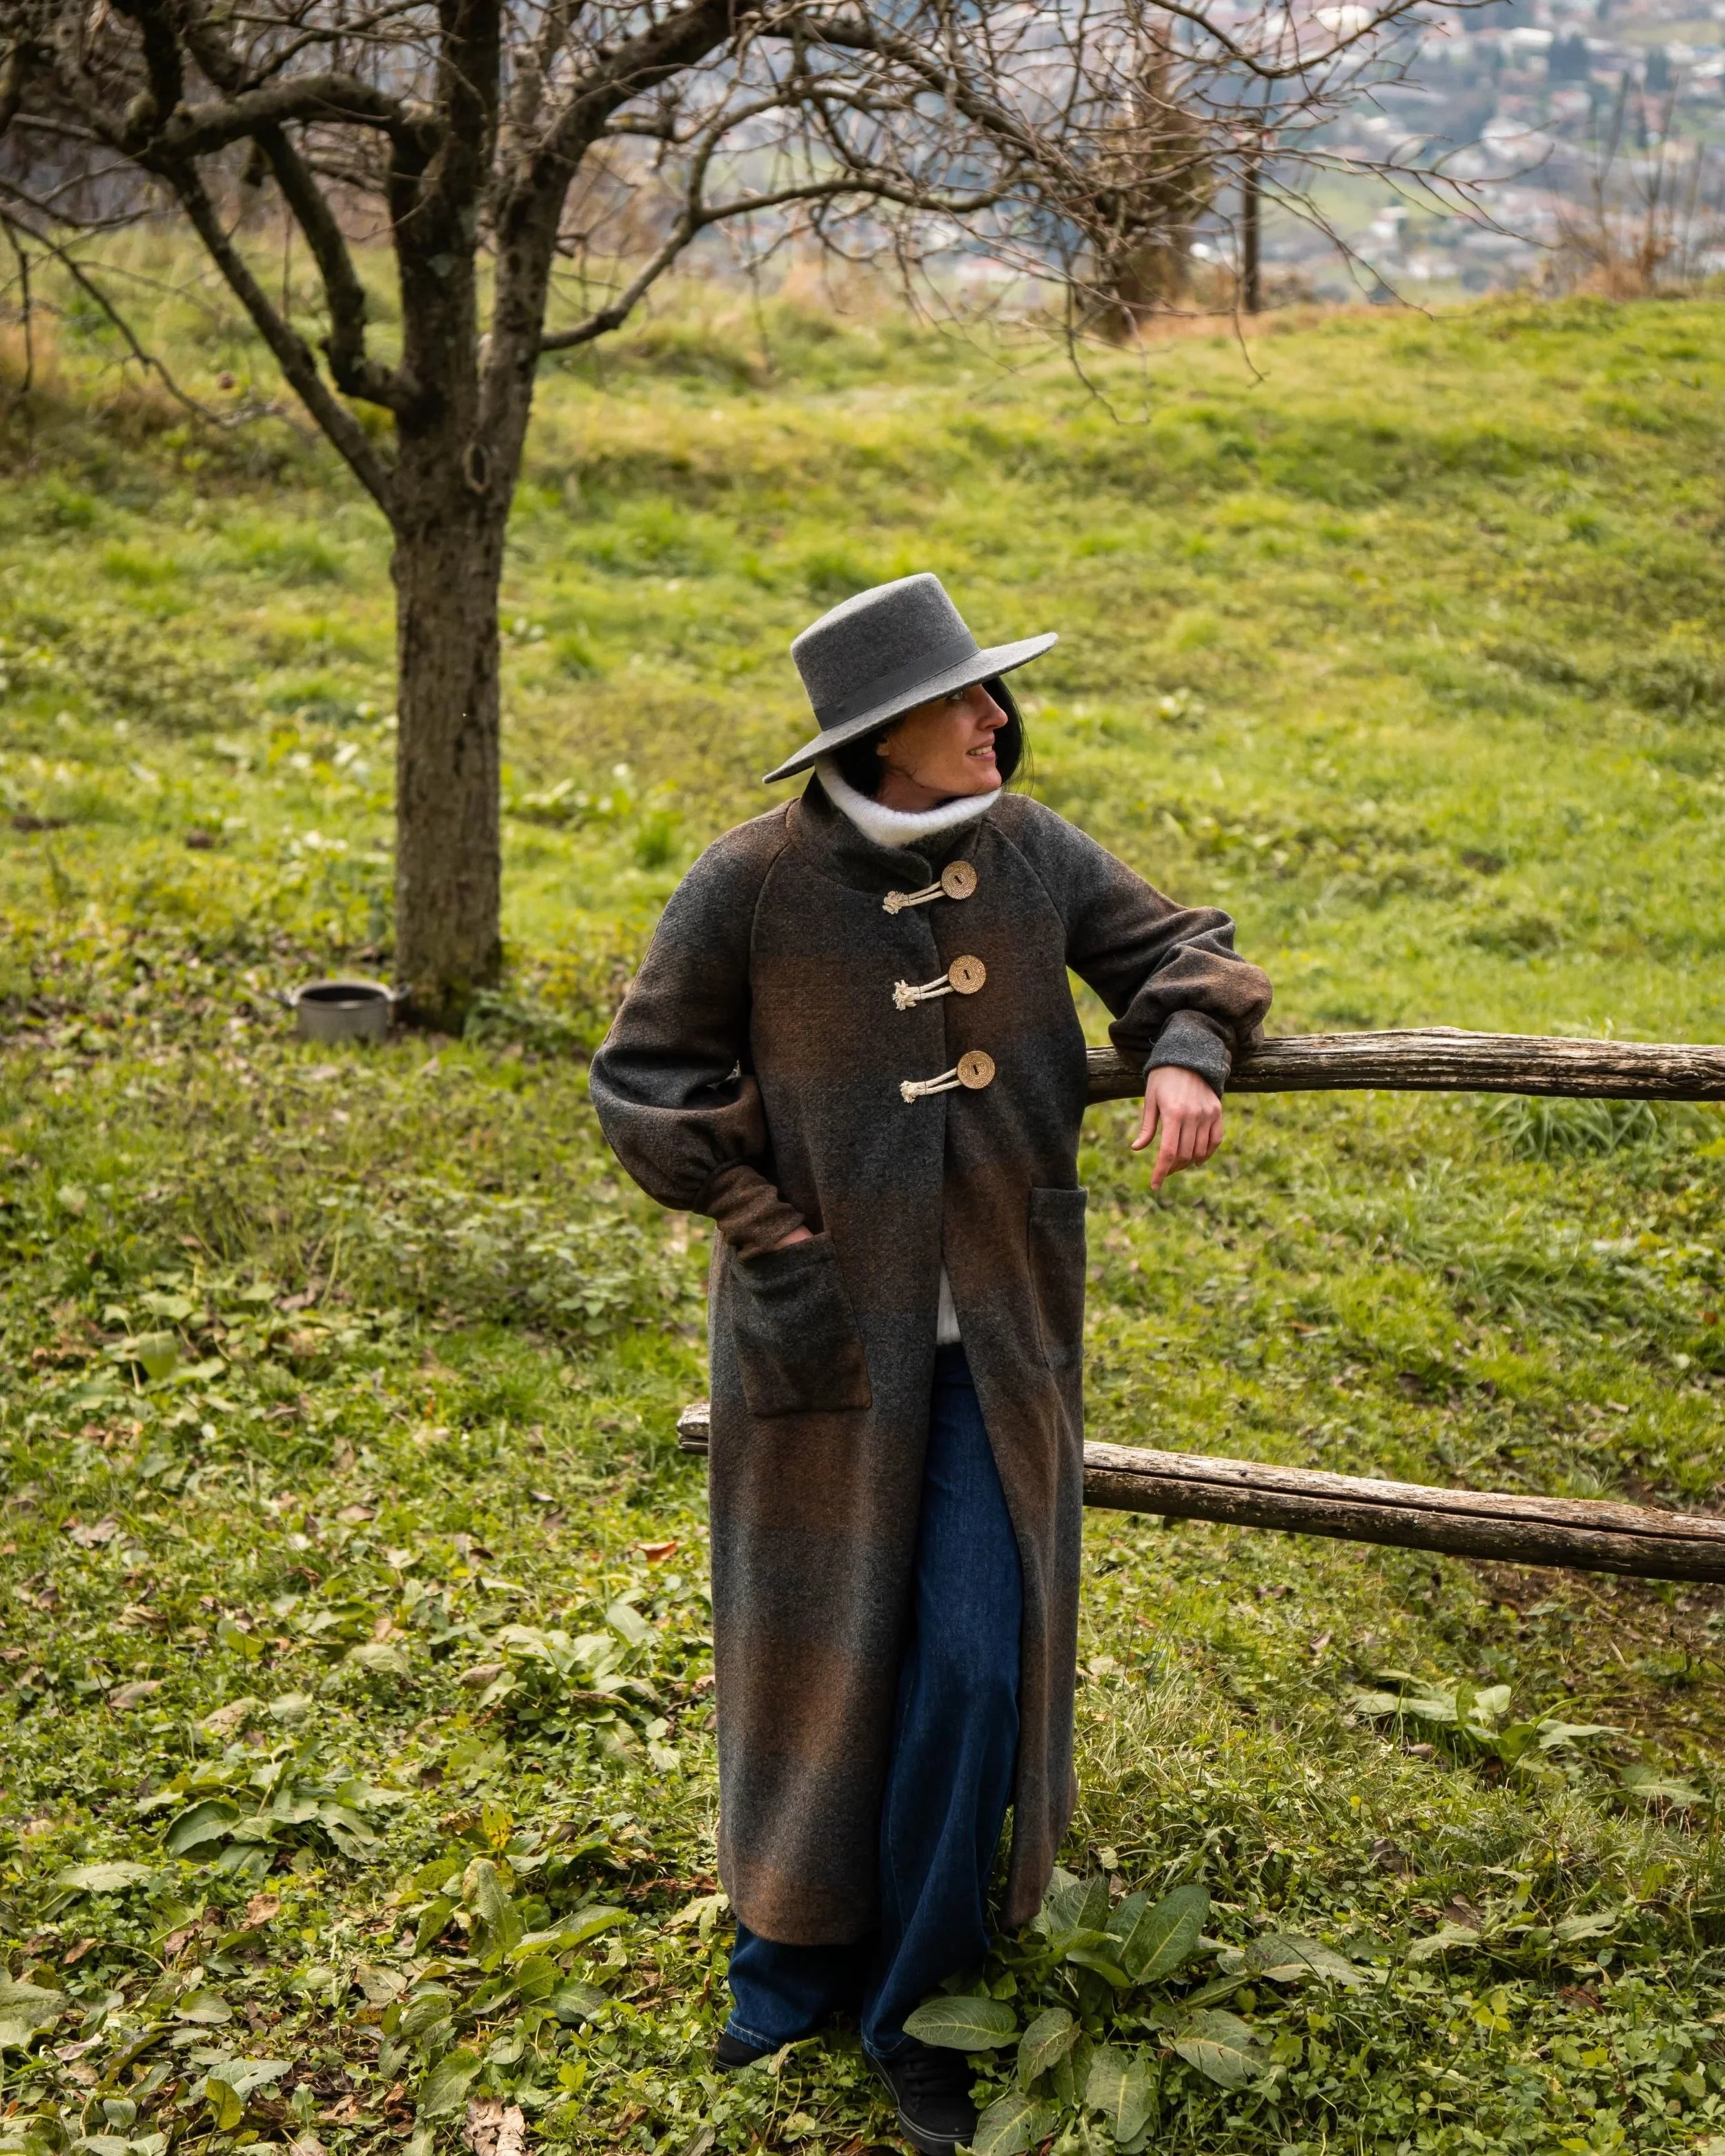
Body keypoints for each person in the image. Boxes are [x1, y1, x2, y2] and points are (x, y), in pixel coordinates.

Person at [589, 573, 1273, 2155]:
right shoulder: (749, 882)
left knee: (971, 1658)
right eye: (966, 698)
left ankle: (919, 2006)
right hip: (816, 1338)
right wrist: (768, 1228)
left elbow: (1187, 945)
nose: (995, 716)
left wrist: (1181, 1046)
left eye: (990, 695)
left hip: (999, 1347)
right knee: (821, 1651)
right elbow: (645, 1081)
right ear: (884, 732)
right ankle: (790, 1953)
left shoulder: (1027, 849)